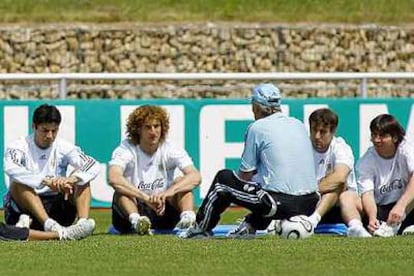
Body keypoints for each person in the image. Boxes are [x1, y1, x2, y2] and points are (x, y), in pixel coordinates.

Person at [180, 83, 319, 239]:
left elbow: (244, 176)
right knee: (263, 189)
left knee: (224, 181)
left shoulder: (257, 127)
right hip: (311, 203)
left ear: (257, 106)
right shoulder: (298, 124)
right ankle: (250, 225)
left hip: (279, 204)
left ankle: (200, 229)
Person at [3, 104, 98, 238]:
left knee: (82, 178)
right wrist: (45, 181)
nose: (50, 136)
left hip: (57, 207)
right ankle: (49, 225)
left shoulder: (64, 146)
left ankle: (82, 225)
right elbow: (11, 168)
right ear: (34, 127)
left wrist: (71, 179)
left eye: (54, 131)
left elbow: (92, 164)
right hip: (26, 206)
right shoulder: (18, 146)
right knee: (17, 184)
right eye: (45, 130)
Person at [108, 105, 201, 235]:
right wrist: (145, 198)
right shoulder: (126, 148)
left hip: (163, 209)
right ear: (138, 130)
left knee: (181, 182)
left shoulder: (170, 148)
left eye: (156, 126)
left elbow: (195, 176)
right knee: (121, 191)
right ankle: (137, 222)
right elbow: (113, 178)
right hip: (133, 210)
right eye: (148, 127)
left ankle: (188, 218)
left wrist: (167, 193)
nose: (153, 131)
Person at [304, 108, 371, 237]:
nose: (317, 136)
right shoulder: (303, 146)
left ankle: (313, 221)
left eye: (322, 132)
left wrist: (311, 189)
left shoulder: (341, 147)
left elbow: (340, 177)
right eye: (314, 130)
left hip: (338, 206)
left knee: (339, 185)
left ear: (333, 131)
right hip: (310, 200)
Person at [357, 114, 414, 237]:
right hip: (383, 210)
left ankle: (403, 224)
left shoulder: (406, 148)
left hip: (407, 206)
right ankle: (390, 226)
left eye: (382, 136)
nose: (376, 140)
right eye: (373, 135)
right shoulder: (366, 161)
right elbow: (367, 193)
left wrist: (401, 206)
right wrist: (372, 217)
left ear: (394, 137)